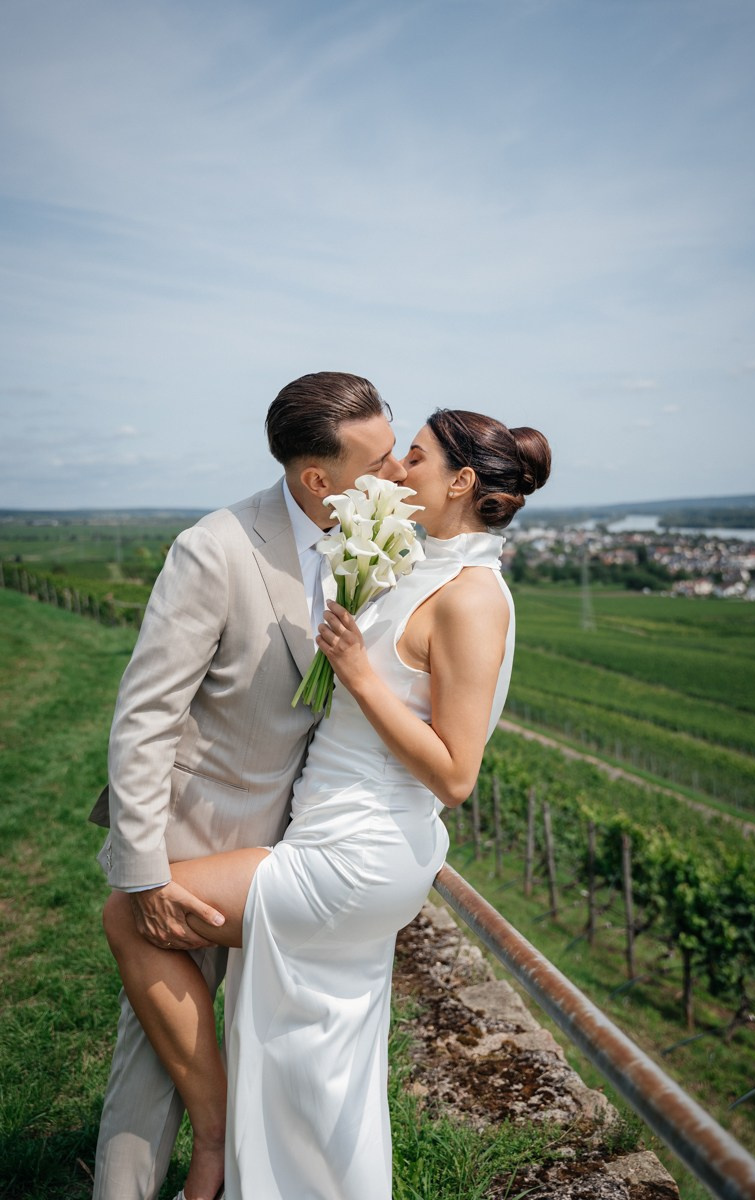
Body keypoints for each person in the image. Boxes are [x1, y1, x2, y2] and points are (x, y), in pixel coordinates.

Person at [102, 408, 552, 1200]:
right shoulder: (419, 562)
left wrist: (359, 673)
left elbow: (455, 775)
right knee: (318, 1064)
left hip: (359, 851)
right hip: (333, 831)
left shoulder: (474, 596)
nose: (394, 470)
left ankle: (213, 1138)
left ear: (460, 481)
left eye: (411, 456)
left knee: (127, 914)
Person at [90, 372, 408, 1200]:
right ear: (318, 479)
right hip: (194, 832)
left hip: (293, 845)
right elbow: (144, 718)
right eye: (381, 459)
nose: (400, 471)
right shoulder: (216, 548)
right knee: (154, 1059)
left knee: (254, 1038)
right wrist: (145, 871)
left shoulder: (366, 535)